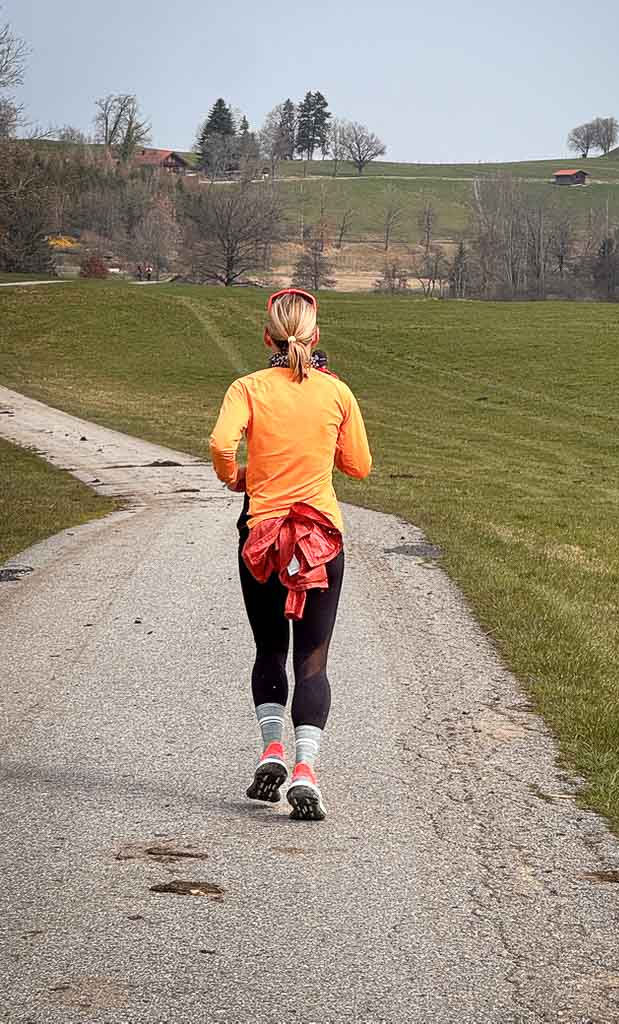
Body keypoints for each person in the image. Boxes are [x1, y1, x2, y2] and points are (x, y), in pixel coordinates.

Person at [209, 288, 372, 821]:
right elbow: (359, 467)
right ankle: (305, 769)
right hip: (319, 538)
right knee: (313, 661)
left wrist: (237, 475)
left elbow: (218, 443)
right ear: (316, 337)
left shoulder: (247, 388)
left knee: (269, 651)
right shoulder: (337, 393)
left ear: (267, 336)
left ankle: (271, 749)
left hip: (262, 534)